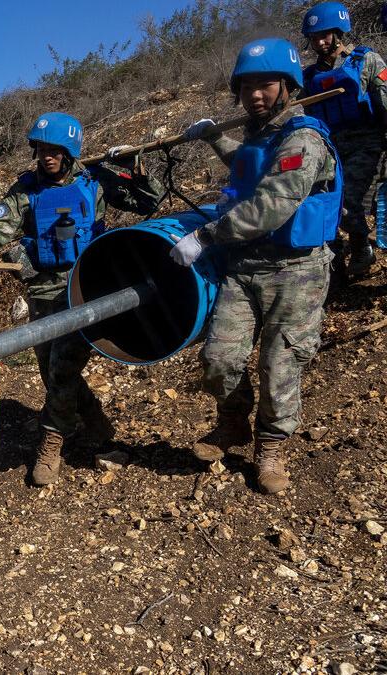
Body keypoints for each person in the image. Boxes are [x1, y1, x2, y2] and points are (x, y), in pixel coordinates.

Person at [176, 38, 342, 494]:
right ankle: (232, 422)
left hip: (296, 271)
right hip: (245, 266)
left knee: (280, 365)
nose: (255, 94)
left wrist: (205, 237)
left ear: (288, 86)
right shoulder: (261, 137)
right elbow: (249, 167)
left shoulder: (304, 139)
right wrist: (214, 138)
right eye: (247, 86)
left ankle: (271, 446)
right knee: (219, 358)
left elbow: (272, 203)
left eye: (266, 84)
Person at [0, 112, 164, 486]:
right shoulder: (25, 191)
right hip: (42, 289)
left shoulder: (96, 182)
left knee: (62, 366)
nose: (47, 157)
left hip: (87, 285)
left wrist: (133, 169)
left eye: (55, 150)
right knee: (49, 368)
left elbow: (149, 202)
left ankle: (52, 441)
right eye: (41, 149)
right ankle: (93, 418)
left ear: (69, 152)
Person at [298, 1, 387, 277]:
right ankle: (332, 260)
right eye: (314, 38)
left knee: (347, 201)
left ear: (339, 33)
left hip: (367, 143)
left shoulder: (366, 60)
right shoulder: (307, 77)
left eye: (325, 35)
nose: (320, 42)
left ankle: (361, 249)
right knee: (320, 201)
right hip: (330, 148)